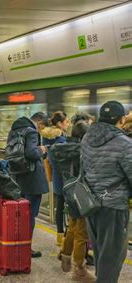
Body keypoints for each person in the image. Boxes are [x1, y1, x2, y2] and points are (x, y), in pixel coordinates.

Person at [81, 101, 132, 283]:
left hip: (90, 205)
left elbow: (83, 170)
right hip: (114, 208)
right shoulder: (124, 143)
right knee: (112, 258)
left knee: (101, 252)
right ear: (122, 119)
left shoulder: (87, 137)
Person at [50, 121, 95, 282]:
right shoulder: (82, 151)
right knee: (82, 232)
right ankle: (79, 269)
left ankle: (65, 254)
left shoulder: (63, 148)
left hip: (69, 192)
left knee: (73, 226)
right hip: (82, 193)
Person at [7, 111, 49, 258]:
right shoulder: (31, 131)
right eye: (41, 128)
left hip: (18, 177)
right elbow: (31, 153)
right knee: (29, 215)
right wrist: (42, 149)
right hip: (32, 179)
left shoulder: (15, 130)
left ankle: (15, 244)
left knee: (19, 214)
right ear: (40, 123)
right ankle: (26, 247)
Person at [41, 111, 70, 246]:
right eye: (67, 121)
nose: (68, 124)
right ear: (59, 123)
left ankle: (59, 235)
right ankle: (68, 236)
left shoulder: (46, 138)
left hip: (57, 178)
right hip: (66, 177)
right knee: (70, 207)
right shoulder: (62, 141)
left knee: (59, 206)